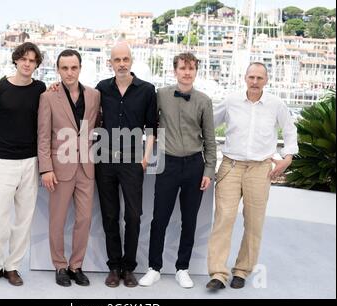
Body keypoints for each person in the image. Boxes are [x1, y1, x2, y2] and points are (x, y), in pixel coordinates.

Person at [206, 62, 298, 290]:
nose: (255, 82)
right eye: (251, 77)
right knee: (223, 219)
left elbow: (289, 131)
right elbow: (208, 125)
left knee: (254, 222)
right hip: (230, 166)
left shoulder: (276, 104)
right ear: (244, 78)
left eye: (259, 78)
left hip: (260, 169)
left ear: (266, 80)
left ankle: (242, 270)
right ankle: (218, 273)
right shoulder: (230, 101)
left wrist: (287, 157)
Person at [138, 53, 216, 288]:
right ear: (175, 70)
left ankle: (183, 268)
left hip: (194, 165)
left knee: (189, 220)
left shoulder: (204, 101)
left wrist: (209, 170)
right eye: (182, 68)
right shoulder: (160, 95)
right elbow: (148, 122)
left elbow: (210, 140)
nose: (187, 72)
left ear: (196, 72)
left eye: (191, 68)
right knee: (159, 218)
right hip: (167, 164)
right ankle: (154, 268)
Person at [0, 42, 46, 286]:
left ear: (37, 64)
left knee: (23, 219)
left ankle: (12, 266)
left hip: (31, 161)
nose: (27, 63)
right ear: (16, 60)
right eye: (23, 59)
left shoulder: (40, 89)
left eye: (32, 60)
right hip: (4, 162)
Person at [95, 42, 158, 288]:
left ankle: (129, 268)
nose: (121, 63)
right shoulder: (102, 88)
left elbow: (152, 127)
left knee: (133, 216)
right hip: (106, 160)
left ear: (131, 61)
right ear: (110, 62)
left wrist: (145, 158)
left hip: (133, 160)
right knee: (109, 215)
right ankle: (114, 267)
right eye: (117, 60)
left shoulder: (146, 90)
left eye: (125, 59)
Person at [38, 49, 100, 287]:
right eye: (64, 68)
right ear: (58, 70)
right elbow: (43, 136)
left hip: (86, 167)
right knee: (58, 219)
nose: (69, 72)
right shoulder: (48, 97)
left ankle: (76, 265)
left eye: (73, 67)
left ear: (80, 68)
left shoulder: (94, 96)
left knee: (84, 219)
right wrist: (46, 169)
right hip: (59, 168)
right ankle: (60, 266)